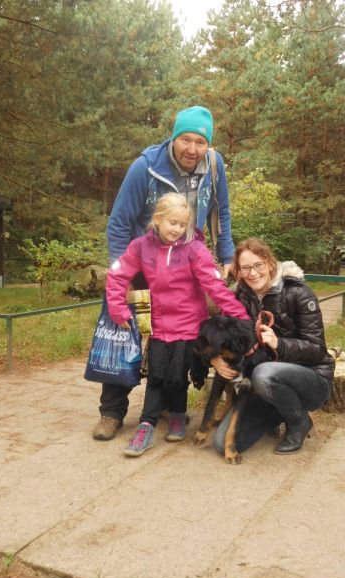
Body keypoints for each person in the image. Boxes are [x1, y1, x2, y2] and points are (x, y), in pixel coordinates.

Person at [93, 105, 235, 441]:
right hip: (143, 264)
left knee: (180, 337)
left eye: (200, 142)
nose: (192, 149)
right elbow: (119, 222)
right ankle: (112, 411)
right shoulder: (145, 167)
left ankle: (171, 404)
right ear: (174, 138)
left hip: (185, 264)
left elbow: (222, 212)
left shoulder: (215, 166)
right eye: (186, 139)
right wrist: (124, 273)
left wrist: (226, 252)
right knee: (124, 333)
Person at [105, 193, 249, 456]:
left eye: (183, 224)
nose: (177, 229)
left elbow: (214, 286)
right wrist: (117, 308)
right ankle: (146, 425)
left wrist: (241, 317)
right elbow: (117, 274)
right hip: (158, 324)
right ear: (158, 219)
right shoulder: (140, 246)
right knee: (156, 376)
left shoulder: (195, 249)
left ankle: (177, 415)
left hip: (189, 326)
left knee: (177, 375)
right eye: (173, 223)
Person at [211, 237, 335, 456]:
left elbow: (317, 350)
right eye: (245, 268)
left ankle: (298, 422)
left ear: (269, 263)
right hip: (261, 386)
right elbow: (216, 332)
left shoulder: (298, 292)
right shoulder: (238, 296)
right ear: (239, 271)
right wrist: (214, 357)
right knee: (222, 443)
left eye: (258, 265)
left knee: (264, 373)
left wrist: (280, 343)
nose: (253, 273)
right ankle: (275, 414)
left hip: (310, 379)